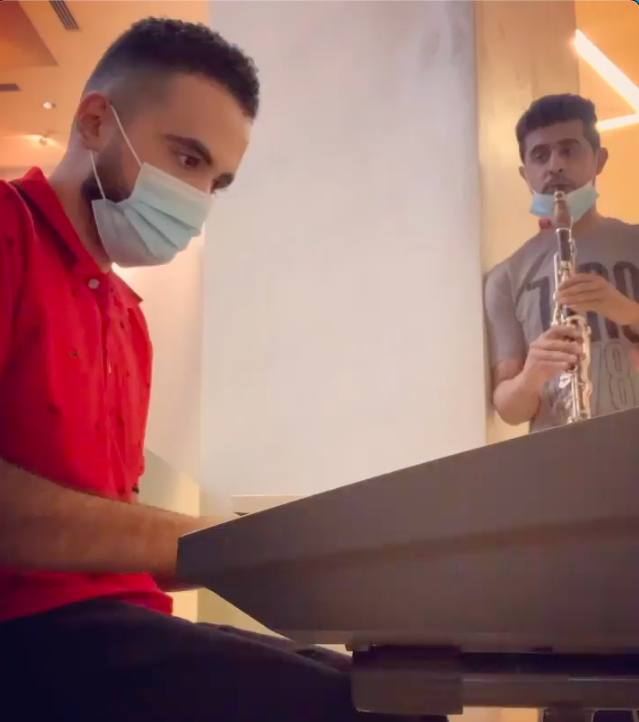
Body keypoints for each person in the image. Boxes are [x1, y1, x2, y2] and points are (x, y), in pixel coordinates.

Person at [0, 18, 446, 722]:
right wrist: (223, 540)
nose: (199, 199)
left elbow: (112, 540)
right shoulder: (9, 233)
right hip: (27, 636)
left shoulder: (128, 319)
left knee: (400, 691)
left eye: (217, 182)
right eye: (186, 158)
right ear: (95, 122)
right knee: (360, 706)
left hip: (114, 626)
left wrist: (292, 547)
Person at [485, 93, 639, 433]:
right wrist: (531, 375)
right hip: (561, 455)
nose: (554, 165)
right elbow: (510, 410)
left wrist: (628, 312)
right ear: (525, 174)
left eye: (568, 151)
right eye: (540, 156)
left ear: (599, 160)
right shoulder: (505, 278)